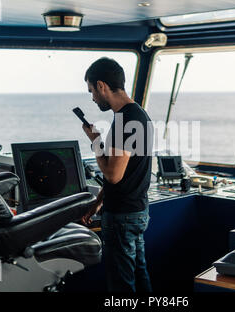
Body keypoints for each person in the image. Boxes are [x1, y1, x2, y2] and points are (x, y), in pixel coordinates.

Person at [80, 57, 153, 292]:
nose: (92, 97)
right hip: (136, 210)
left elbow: (113, 175)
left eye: (92, 90)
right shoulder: (139, 114)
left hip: (122, 217)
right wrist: (97, 204)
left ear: (102, 86)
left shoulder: (125, 121)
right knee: (139, 277)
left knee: (122, 285)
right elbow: (125, 173)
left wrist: (95, 142)